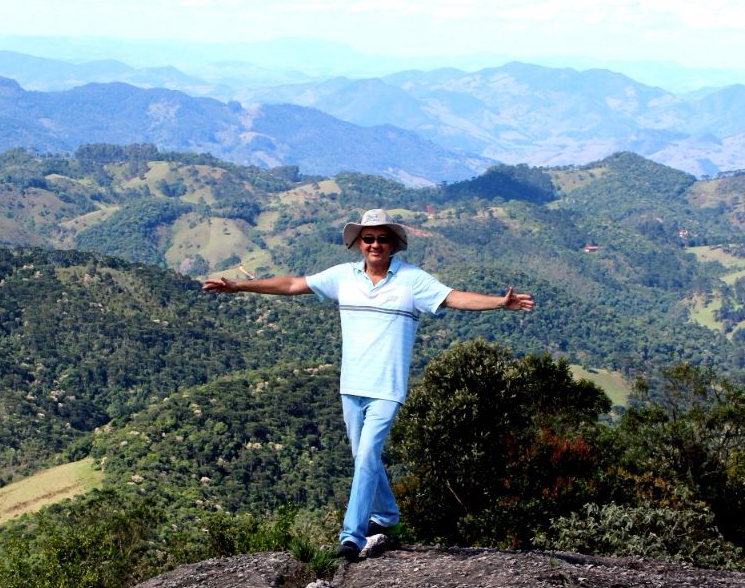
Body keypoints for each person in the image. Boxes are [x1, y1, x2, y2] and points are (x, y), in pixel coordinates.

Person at [202, 208, 535, 561]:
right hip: (352, 385)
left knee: (366, 458)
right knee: (363, 457)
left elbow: (454, 298)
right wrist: (238, 286)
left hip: (387, 389)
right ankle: (387, 516)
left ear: (393, 243)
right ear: (359, 243)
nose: (375, 244)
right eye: (368, 238)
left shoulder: (412, 280)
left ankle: (352, 536)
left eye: (382, 238)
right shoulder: (344, 277)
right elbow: (291, 285)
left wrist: (500, 303)